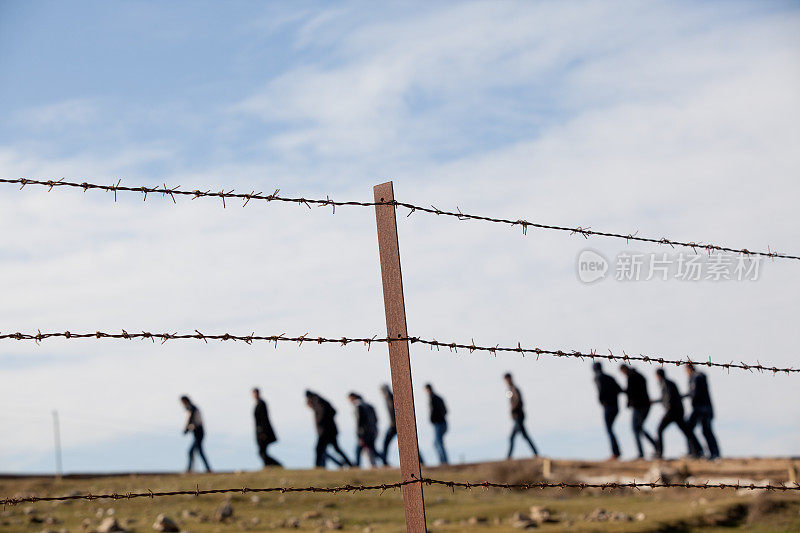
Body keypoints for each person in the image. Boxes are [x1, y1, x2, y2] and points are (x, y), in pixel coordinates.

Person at [652, 369, 702, 458]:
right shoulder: (669, 383)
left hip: (672, 412)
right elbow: (668, 398)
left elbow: (669, 398)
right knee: (687, 431)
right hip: (677, 411)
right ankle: (697, 450)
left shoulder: (665, 384)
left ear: (658, 376)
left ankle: (659, 452)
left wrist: (668, 410)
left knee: (660, 429)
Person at [305, 390, 352, 468]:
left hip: (325, 431)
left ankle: (318, 466)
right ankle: (349, 464)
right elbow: (332, 411)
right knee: (335, 449)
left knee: (319, 449)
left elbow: (325, 412)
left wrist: (320, 421)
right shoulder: (320, 400)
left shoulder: (317, 401)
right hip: (330, 430)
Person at [619, 365, 657, 458]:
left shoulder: (631, 377)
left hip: (639, 406)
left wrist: (629, 401)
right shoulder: (639, 375)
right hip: (644, 404)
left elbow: (631, 392)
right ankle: (654, 445)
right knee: (638, 427)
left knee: (636, 428)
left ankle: (642, 452)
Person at [684, 363, 720, 459]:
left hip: (700, 408)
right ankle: (713, 453)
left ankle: (697, 451)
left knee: (689, 428)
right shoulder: (701, 376)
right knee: (706, 430)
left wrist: (691, 398)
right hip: (707, 407)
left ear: (688, 369)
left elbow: (694, 393)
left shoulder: (695, 377)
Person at [503, 373, 539, 458]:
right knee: (524, 436)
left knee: (512, 437)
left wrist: (513, 409)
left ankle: (508, 457)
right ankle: (536, 453)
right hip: (517, 417)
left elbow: (519, 401)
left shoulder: (514, 389)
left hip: (518, 417)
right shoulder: (510, 390)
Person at [592, 362, 623, 459]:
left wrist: (601, 400)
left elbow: (601, 390)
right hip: (616, 406)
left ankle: (616, 452)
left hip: (608, 406)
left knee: (609, 429)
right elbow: (619, 389)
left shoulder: (598, 377)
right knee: (610, 429)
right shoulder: (610, 377)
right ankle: (616, 451)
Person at [180, 395, 212, 473]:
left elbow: (190, 419)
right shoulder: (192, 408)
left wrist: (186, 429)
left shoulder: (192, 409)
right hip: (198, 432)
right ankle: (207, 468)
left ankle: (190, 469)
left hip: (199, 432)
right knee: (199, 451)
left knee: (191, 451)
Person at [252, 388, 281, 467]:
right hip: (259, 432)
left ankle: (277, 465)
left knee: (262, 452)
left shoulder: (261, 404)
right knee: (262, 452)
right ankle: (269, 465)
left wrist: (263, 432)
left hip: (263, 432)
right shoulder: (258, 404)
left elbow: (264, 419)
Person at [348, 393, 379, 467]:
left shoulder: (358, 406)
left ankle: (356, 466)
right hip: (372, 431)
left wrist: (359, 434)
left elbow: (359, 421)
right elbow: (376, 419)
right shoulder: (369, 405)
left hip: (364, 433)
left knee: (358, 450)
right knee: (372, 449)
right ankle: (383, 462)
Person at [425, 383, 449, 465]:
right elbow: (445, 411)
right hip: (442, 423)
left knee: (438, 443)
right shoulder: (438, 398)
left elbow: (441, 411)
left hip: (439, 424)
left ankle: (444, 462)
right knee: (437, 443)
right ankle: (443, 461)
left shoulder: (433, 398)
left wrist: (433, 419)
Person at [379, 384, 397, 465]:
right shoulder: (389, 398)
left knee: (385, 444)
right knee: (385, 444)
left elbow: (394, 412)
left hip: (394, 425)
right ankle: (384, 462)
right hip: (393, 425)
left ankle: (384, 462)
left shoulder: (390, 398)